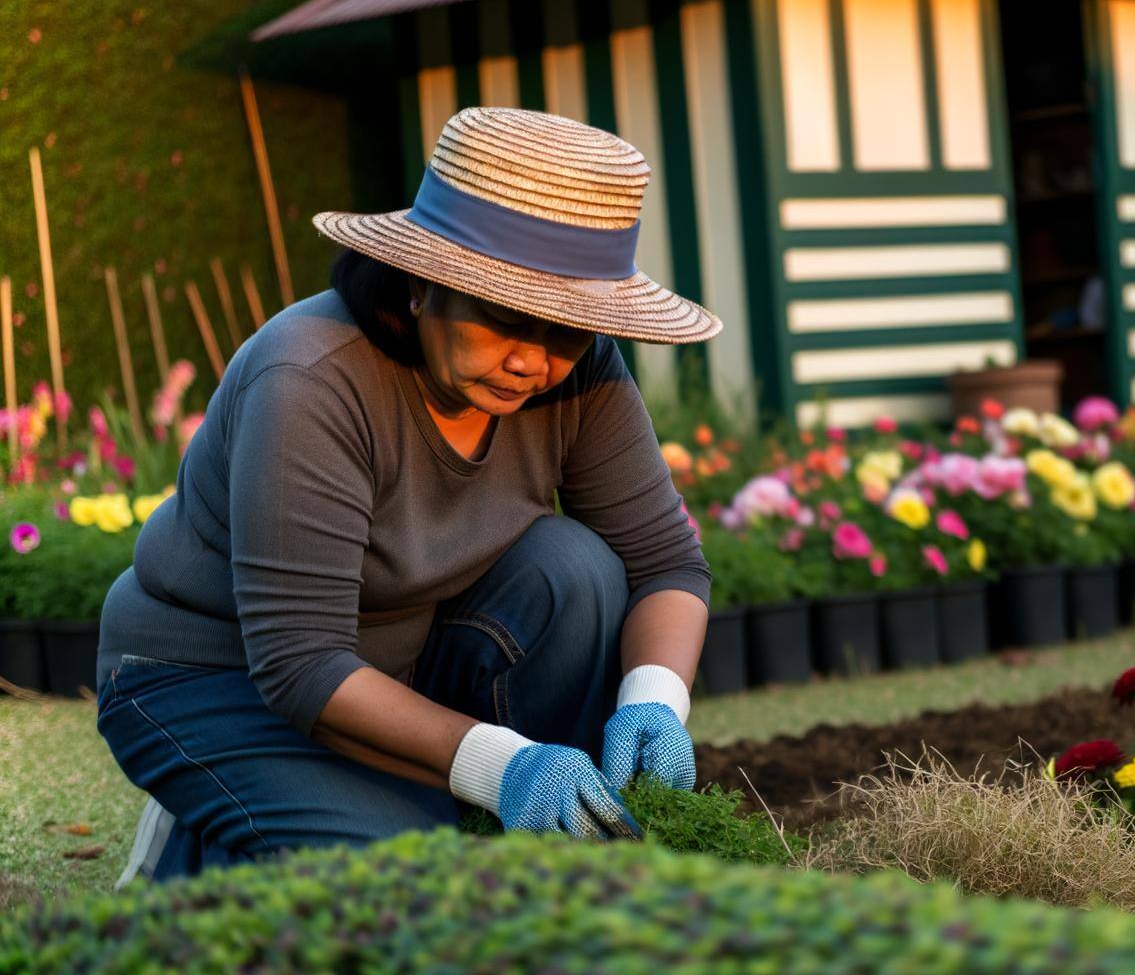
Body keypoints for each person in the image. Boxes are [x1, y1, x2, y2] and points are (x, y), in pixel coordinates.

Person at [95, 107, 721, 883]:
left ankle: (363, 800)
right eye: (507, 317)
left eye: (568, 326)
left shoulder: (582, 374)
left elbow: (665, 565)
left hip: (389, 673)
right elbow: (299, 663)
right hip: (215, 677)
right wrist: (502, 768)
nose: (533, 361)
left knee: (577, 567)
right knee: (418, 877)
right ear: (423, 285)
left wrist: (654, 698)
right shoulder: (313, 380)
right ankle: (214, 814)